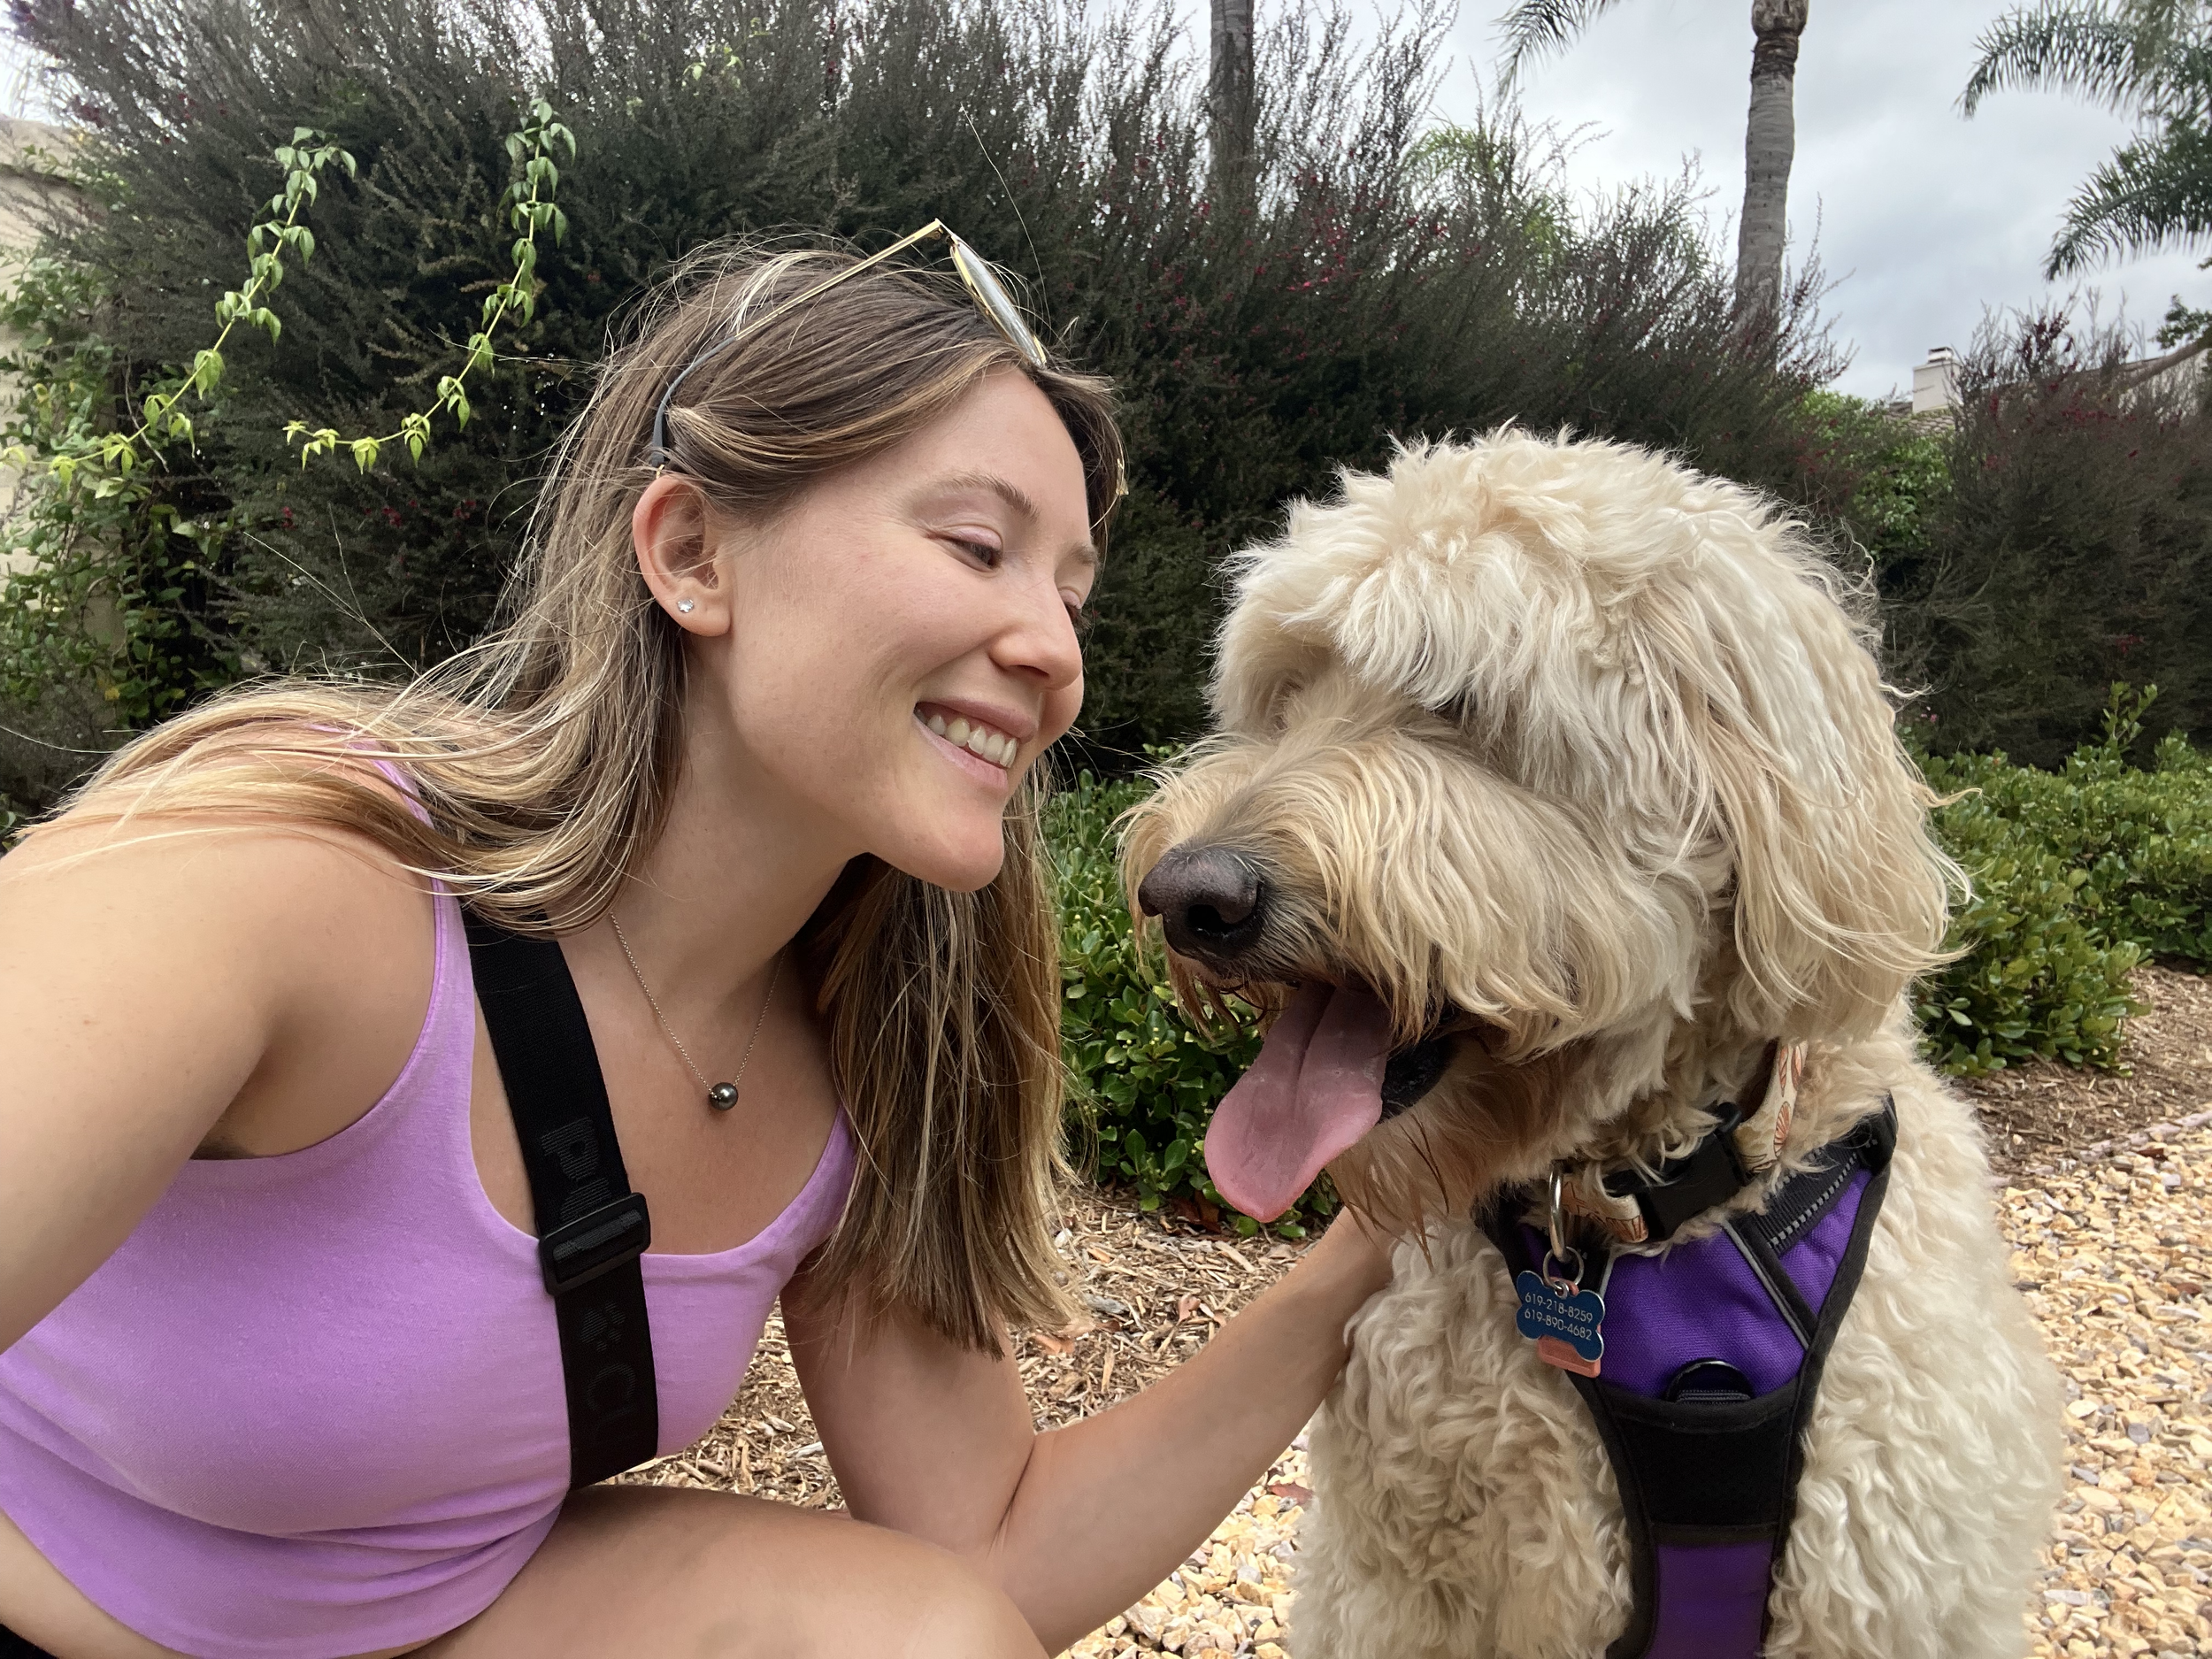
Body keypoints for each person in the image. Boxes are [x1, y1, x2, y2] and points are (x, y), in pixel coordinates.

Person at [0, 229, 1394, 1658]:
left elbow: (991, 1547)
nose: (1053, 650)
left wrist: (1377, 1244)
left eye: (1070, 593)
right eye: (979, 547)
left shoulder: (864, 1047)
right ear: (689, 552)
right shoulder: (294, 875)